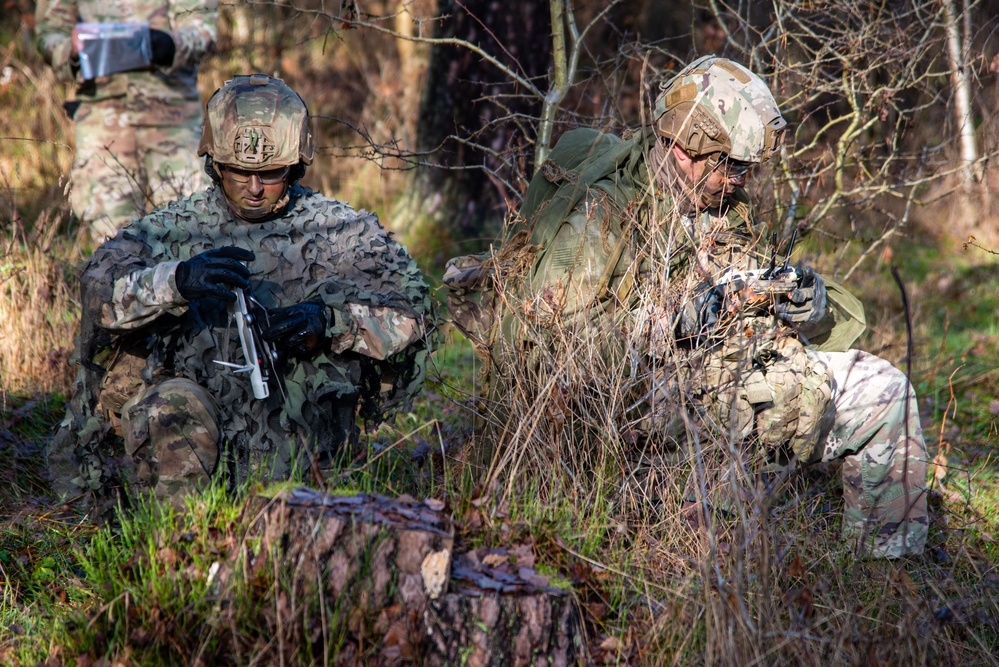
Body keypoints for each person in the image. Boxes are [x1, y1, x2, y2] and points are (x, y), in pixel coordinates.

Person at [446, 56, 927, 559]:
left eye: (747, 168)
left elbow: (823, 321)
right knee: (751, 423)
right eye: (733, 165)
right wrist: (672, 325)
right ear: (686, 146)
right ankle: (705, 550)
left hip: (729, 380)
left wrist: (812, 305)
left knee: (887, 392)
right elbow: (546, 351)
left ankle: (886, 577)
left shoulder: (720, 206)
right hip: (633, 414)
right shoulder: (602, 216)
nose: (742, 179)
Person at [47, 75, 431, 511]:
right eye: (239, 172)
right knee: (168, 407)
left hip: (308, 439)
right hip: (195, 431)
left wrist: (331, 323)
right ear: (215, 163)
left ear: (296, 164)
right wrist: (173, 282)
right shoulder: (169, 229)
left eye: (269, 174)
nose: (253, 187)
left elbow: (412, 316)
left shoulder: (341, 231)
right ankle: (179, 543)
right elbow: (98, 294)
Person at [36, 0, 217, 243]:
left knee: (192, 229)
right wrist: (71, 48)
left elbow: (201, 24)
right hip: (102, 118)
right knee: (110, 237)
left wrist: (169, 45)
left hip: (172, 117)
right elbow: (50, 31)